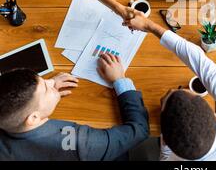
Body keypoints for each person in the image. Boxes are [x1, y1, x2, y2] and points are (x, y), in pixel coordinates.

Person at [123, 11, 216, 161]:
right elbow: (203, 65)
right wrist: (149, 25)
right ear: (215, 116)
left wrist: (165, 142)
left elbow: (165, 155)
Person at [0, 54, 149, 160]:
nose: (52, 82)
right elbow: (140, 130)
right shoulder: (76, 142)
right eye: (47, 87)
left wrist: (45, 92)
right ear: (33, 117)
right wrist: (120, 79)